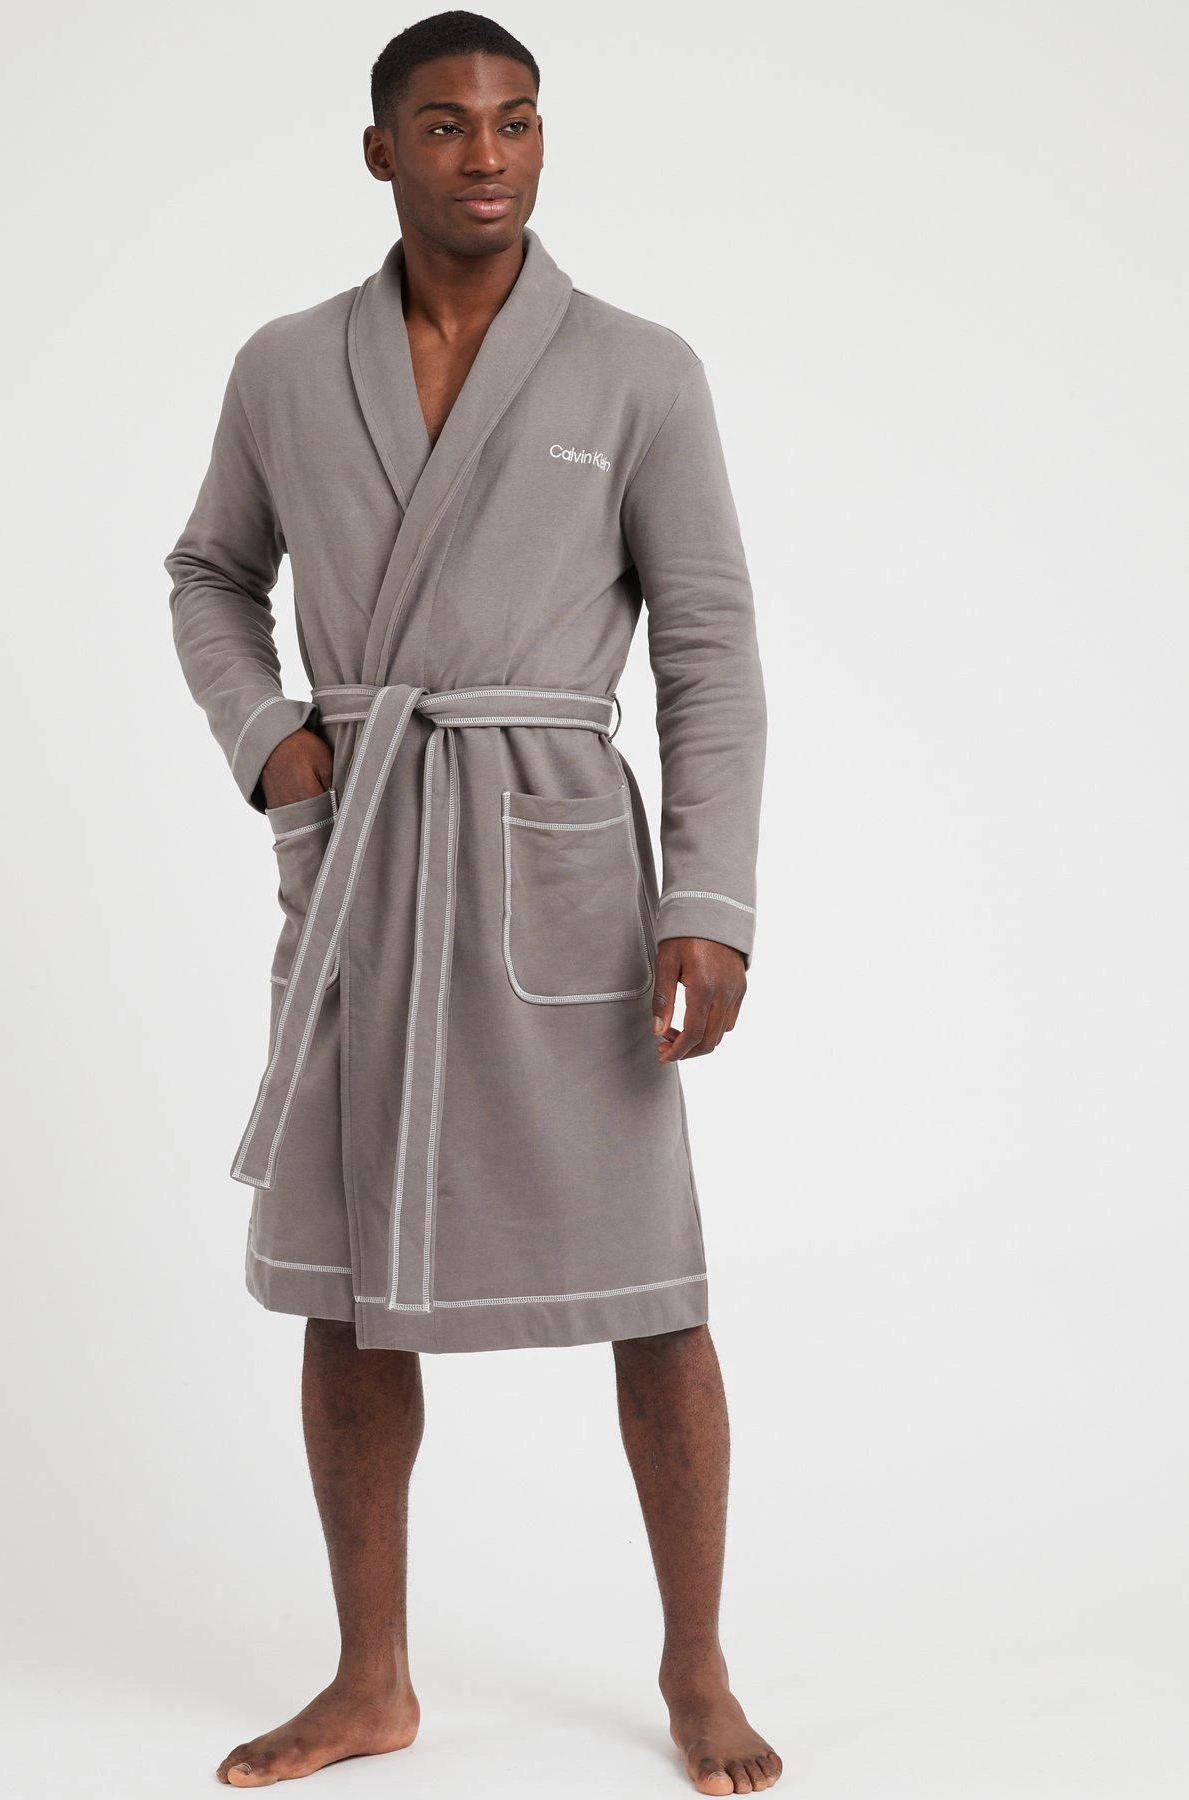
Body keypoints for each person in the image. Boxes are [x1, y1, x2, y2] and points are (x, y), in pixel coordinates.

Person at [163, 10, 778, 1794]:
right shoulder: (288, 365)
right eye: (443, 125)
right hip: (360, 853)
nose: (486, 153)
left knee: (652, 1284)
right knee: (347, 1289)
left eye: (515, 120)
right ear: (382, 152)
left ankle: (693, 1666)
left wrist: (710, 895)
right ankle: (371, 1679)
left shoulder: (638, 369)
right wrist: (276, 744)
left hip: (555, 861)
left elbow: (708, 647)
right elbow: (209, 573)